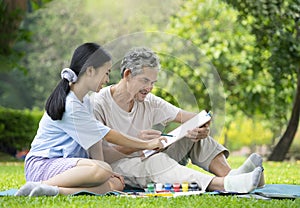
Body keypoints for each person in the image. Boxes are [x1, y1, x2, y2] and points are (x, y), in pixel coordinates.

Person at [91, 47, 264, 193]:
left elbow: (195, 118)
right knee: (157, 162)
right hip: (117, 166)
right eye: (145, 81)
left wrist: (202, 126)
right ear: (127, 75)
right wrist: (139, 144)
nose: (149, 88)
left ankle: (233, 176)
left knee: (191, 133)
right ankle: (224, 184)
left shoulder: (149, 101)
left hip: (148, 155)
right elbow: (100, 158)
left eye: (153, 82)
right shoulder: (98, 104)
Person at [15, 43, 166, 197]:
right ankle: (39, 185)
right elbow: (107, 135)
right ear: (90, 71)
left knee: (116, 183)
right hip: (43, 165)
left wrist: (105, 170)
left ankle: (52, 191)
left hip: (69, 167)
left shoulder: (85, 101)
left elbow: (95, 141)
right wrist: (146, 144)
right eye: (106, 73)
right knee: (104, 171)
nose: (107, 79)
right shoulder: (71, 105)